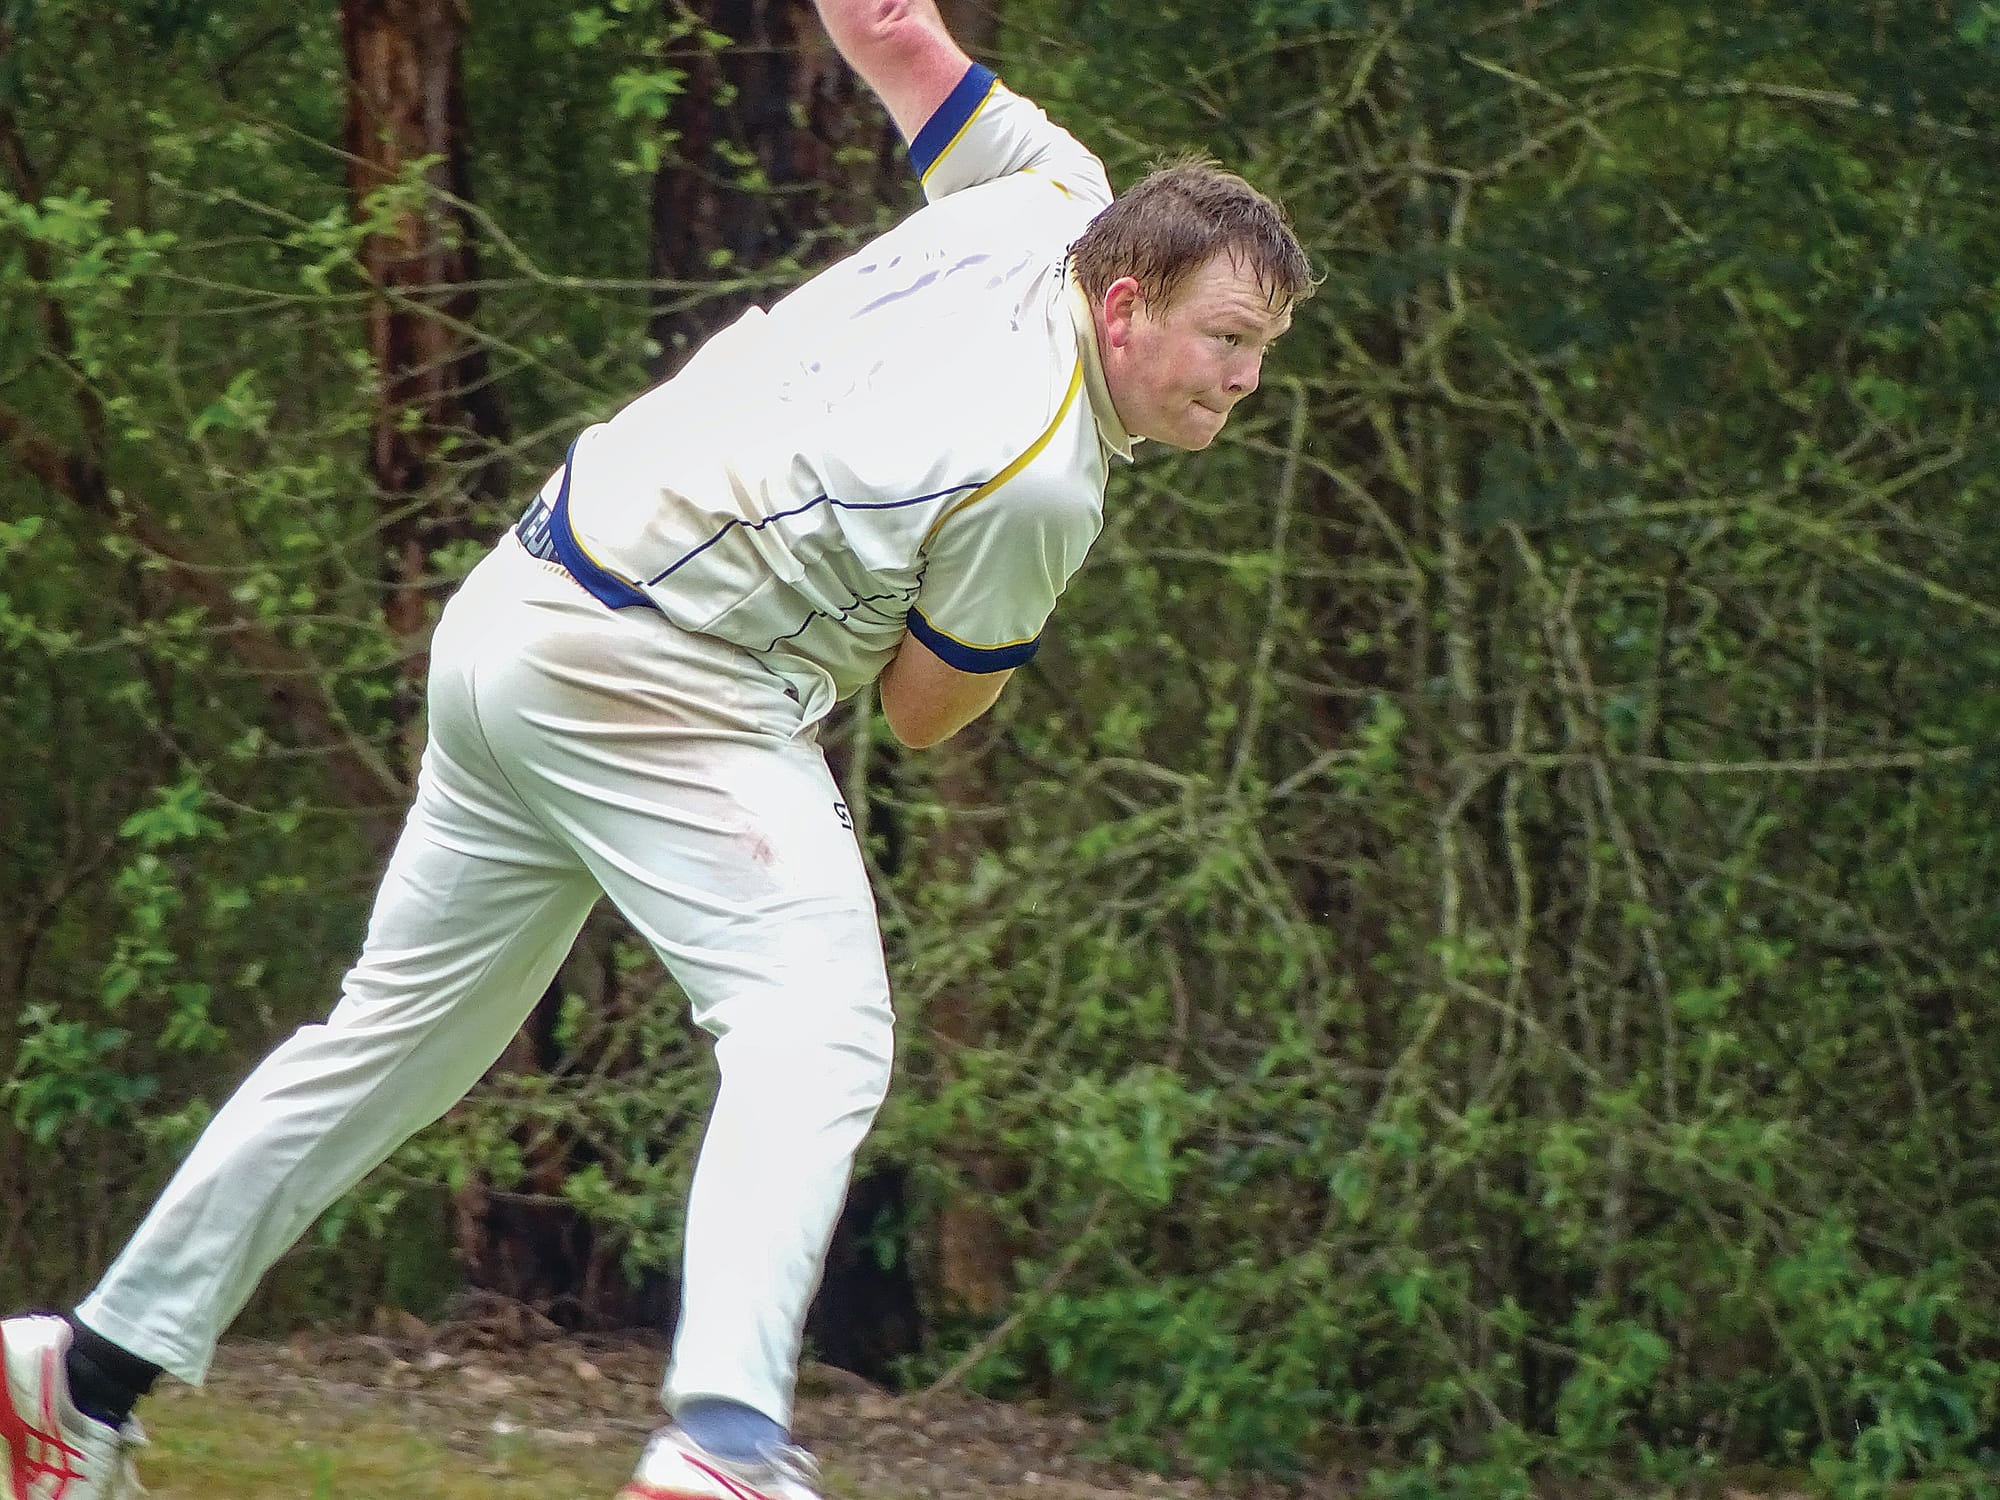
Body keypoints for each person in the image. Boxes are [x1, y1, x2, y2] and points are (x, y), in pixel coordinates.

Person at [0, 2, 1311, 1497]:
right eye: (1226, 338)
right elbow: (923, 711)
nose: (1242, 379)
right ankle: (724, 1444)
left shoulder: (1050, 190)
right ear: (1127, 305)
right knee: (817, 1026)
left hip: (514, 611)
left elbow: (891, 28)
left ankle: (82, 1377)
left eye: (1262, 350)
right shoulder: (1044, 482)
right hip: (654, 677)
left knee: (389, 1048)